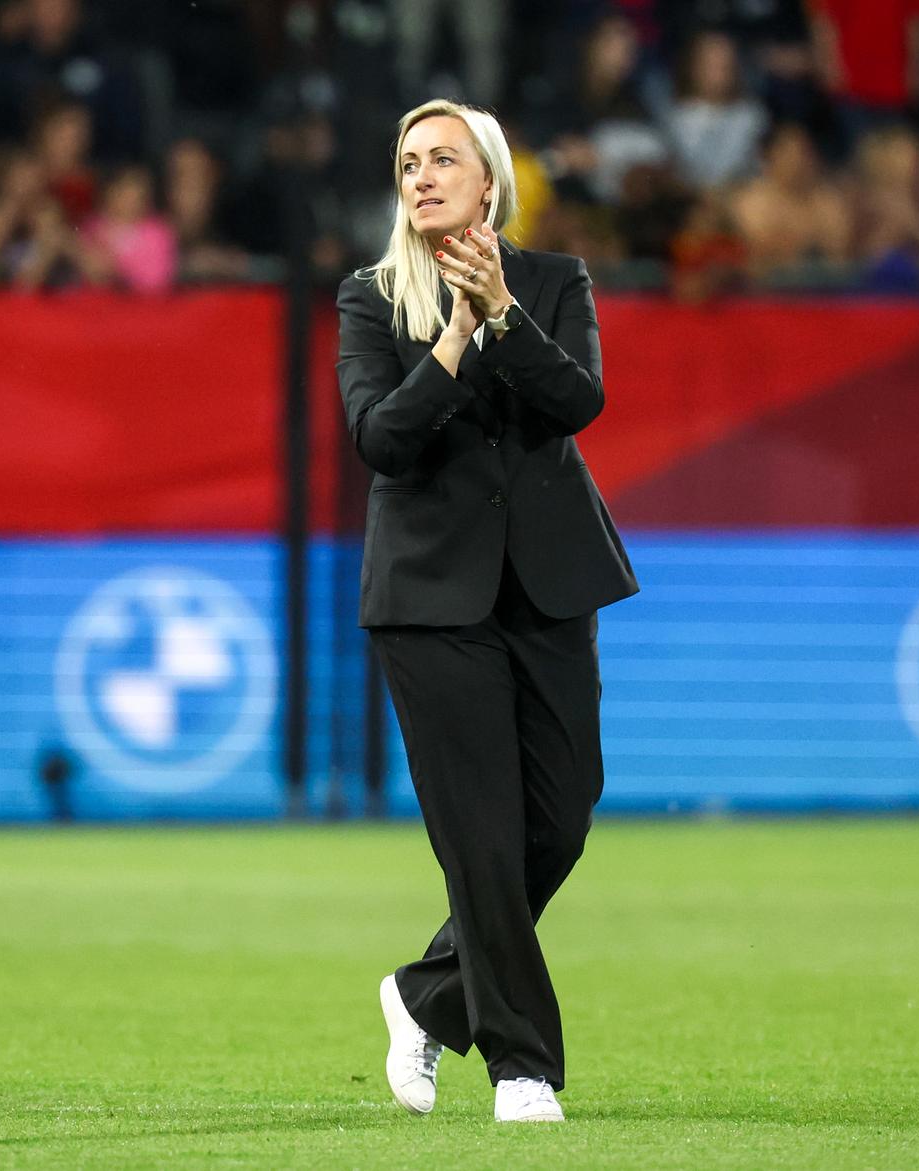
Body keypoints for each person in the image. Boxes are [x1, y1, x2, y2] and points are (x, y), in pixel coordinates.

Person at [335, 99, 638, 1124]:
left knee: (562, 816)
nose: (421, 176)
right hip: (428, 602)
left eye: (443, 160)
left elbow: (577, 402)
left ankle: (423, 995)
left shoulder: (554, 283)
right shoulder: (372, 297)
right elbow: (381, 437)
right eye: (407, 161)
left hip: (548, 586)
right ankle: (521, 1065)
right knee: (483, 842)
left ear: (491, 183)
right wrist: (457, 338)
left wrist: (503, 316)